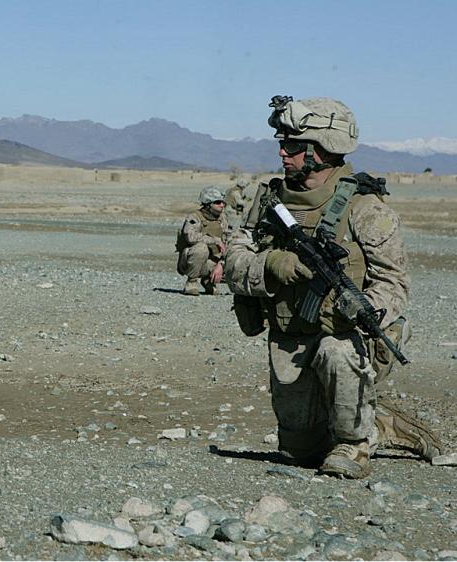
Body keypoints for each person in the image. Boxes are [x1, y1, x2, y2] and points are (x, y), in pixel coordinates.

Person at [224, 95, 442, 479]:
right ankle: (380, 424)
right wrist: (271, 264)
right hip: (290, 336)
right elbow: (232, 262)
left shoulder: (365, 207)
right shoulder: (269, 201)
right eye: (282, 142)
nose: (282, 152)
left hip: (346, 338)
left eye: (292, 145)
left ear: (322, 150)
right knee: (299, 451)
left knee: (336, 349)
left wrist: (359, 308)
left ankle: (357, 443)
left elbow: (394, 282)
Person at [175, 186, 228, 295]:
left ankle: (208, 280)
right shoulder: (195, 217)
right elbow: (191, 237)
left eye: (223, 202)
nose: (222, 205)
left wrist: (221, 264)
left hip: (213, 260)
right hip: (190, 260)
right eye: (218, 202)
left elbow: (229, 239)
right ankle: (192, 282)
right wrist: (214, 240)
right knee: (201, 248)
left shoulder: (222, 219)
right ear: (208, 204)